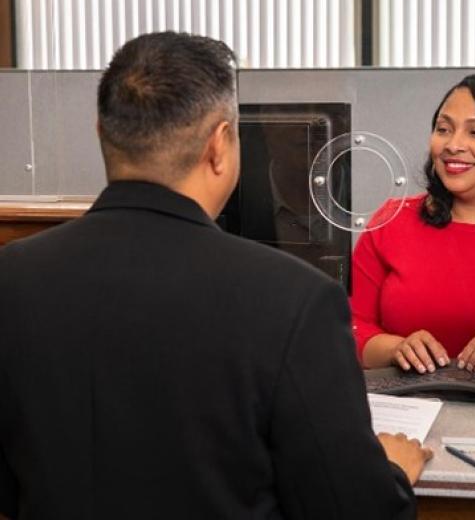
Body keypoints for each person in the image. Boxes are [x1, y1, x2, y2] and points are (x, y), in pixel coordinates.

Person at [0, 32, 431, 520]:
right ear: (221, 143)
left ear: (102, 131)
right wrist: (391, 471)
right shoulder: (295, 299)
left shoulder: (13, 277)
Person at [351, 72, 475, 378]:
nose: (453, 145)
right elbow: (349, 329)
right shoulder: (390, 222)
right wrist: (395, 348)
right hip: (407, 413)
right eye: (443, 129)